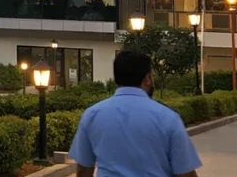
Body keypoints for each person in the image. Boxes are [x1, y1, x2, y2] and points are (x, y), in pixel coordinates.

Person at [69, 50, 201, 177]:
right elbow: (185, 173)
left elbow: (83, 171)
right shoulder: (168, 118)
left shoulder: (92, 115)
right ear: (147, 79)